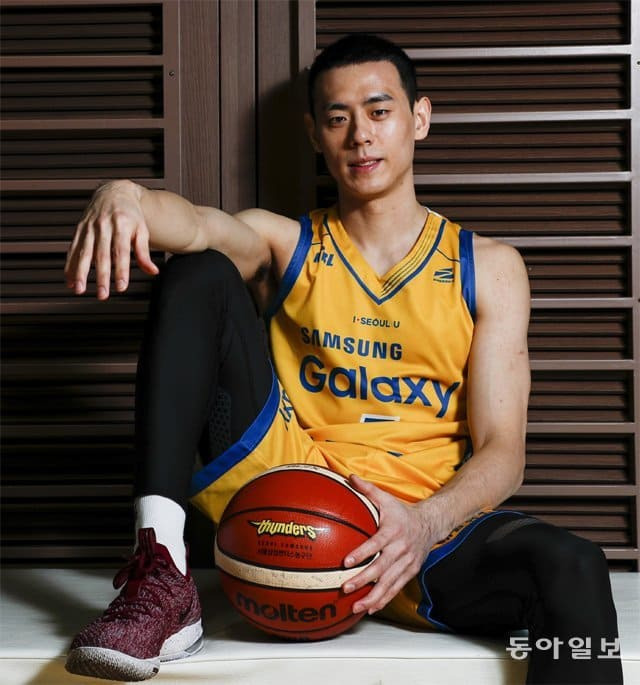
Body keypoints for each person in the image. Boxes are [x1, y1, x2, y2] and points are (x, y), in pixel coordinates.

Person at [63, 34, 622, 684]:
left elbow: (505, 451)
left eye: (379, 111)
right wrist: (124, 194)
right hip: (286, 501)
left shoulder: (489, 268)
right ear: (315, 133)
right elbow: (192, 225)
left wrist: (425, 522)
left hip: (422, 534)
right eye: (338, 117)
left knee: (574, 564)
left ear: (419, 118)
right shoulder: (286, 243)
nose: (360, 135)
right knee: (199, 268)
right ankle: (162, 573)